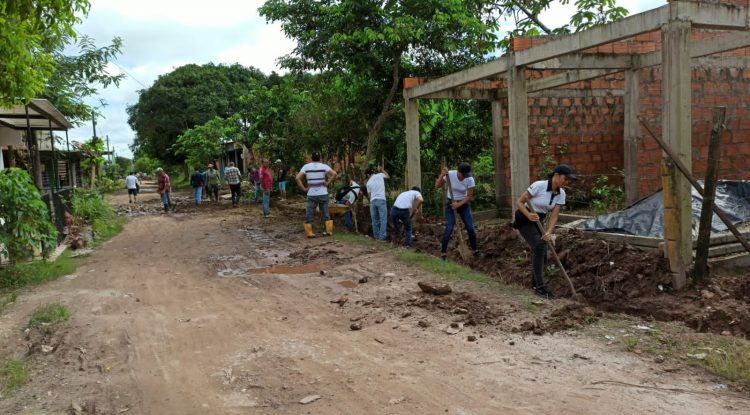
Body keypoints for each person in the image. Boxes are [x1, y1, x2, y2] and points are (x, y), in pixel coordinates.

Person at [514, 164, 577, 299]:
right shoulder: (539, 185)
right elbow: (519, 202)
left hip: (538, 220)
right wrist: (528, 214)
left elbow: (554, 215)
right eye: (565, 179)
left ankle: (535, 283)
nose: (567, 182)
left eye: (568, 180)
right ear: (556, 175)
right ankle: (540, 287)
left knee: (542, 251)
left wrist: (549, 232)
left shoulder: (561, 193)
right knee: (539, 245)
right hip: (524, 218)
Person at [435, 162, 479, 260]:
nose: (464, 177)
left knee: (470, 228)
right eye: (462, 174)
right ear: (458, 172)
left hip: (464, 204)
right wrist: (442, 175)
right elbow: (437, 185)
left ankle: (475, 250)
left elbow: (469, 196)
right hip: (450, 203)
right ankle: (443, 253)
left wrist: (458, 204)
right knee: (449, 228)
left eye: (466, 175)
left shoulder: (469, 179)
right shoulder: (450, 174)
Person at [296, 151, 337, 237]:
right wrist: (327, 183)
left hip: (311, 194)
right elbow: (334, 174)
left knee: (310, 213)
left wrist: (304, 188)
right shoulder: (324, 166)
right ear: (320, 158)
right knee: (325, 212)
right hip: (323, 193)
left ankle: (309, 233)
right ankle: (328, 231)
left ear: (311, 158)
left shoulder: (306, 167)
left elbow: (297, 178)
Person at [365, 165, 390, 241]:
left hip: (373, 201)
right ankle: (382, 237)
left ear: (368, 174)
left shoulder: (368, 183)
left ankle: (376, 237)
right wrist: (382, 170)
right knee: (383, 219)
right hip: (381, 200)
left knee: (374, 220)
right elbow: (388, 177)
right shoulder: (380, 175)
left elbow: (369, 196)